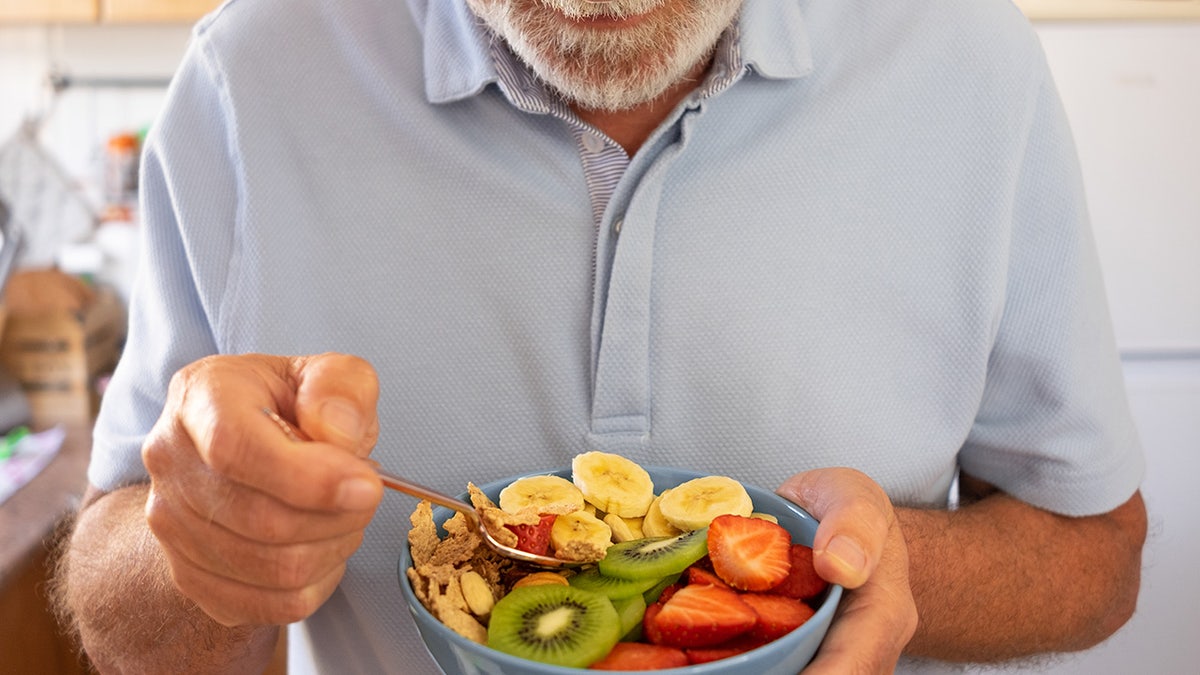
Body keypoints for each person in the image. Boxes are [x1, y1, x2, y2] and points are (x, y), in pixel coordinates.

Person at [54, 0, 1148, 673]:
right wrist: (202, 547)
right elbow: (118, 609)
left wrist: (887, 569)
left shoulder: (968, 59)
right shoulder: (249, 78)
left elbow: (1097, 558)